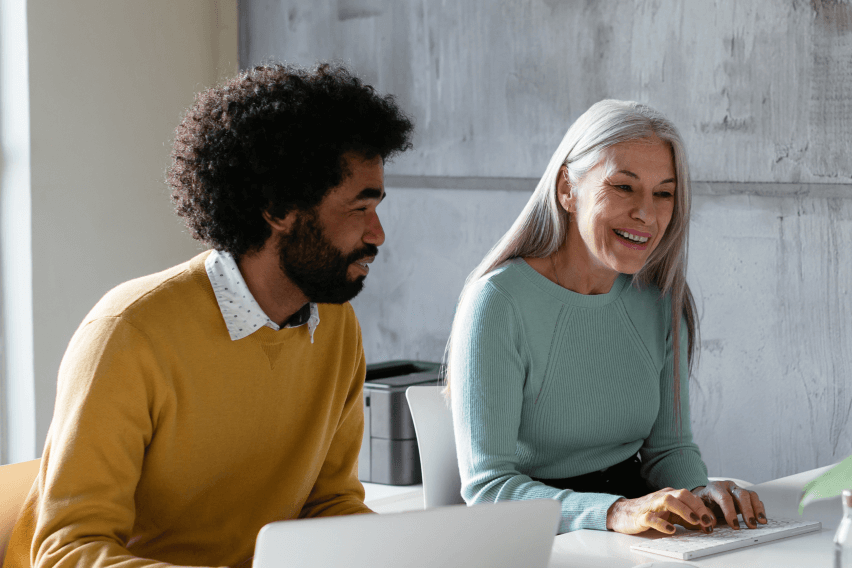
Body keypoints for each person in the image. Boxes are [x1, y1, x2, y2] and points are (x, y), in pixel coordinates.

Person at [3, 63, 413, 568]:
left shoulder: (334, 327)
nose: (378, 234)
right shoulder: (128, 334)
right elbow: (66, 552)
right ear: (278, 208)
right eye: (359, 209)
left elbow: (328, 503)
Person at [447, 99, 767, 535]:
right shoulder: (497, 302)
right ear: (567, 189)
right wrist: (614, 512)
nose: (647, 214)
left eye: (663, 193)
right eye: (623, 187)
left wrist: (699, 493)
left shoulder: (661, 299)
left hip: (638, 527)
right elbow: (488, 489)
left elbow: (668, 449)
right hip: (537, 537)